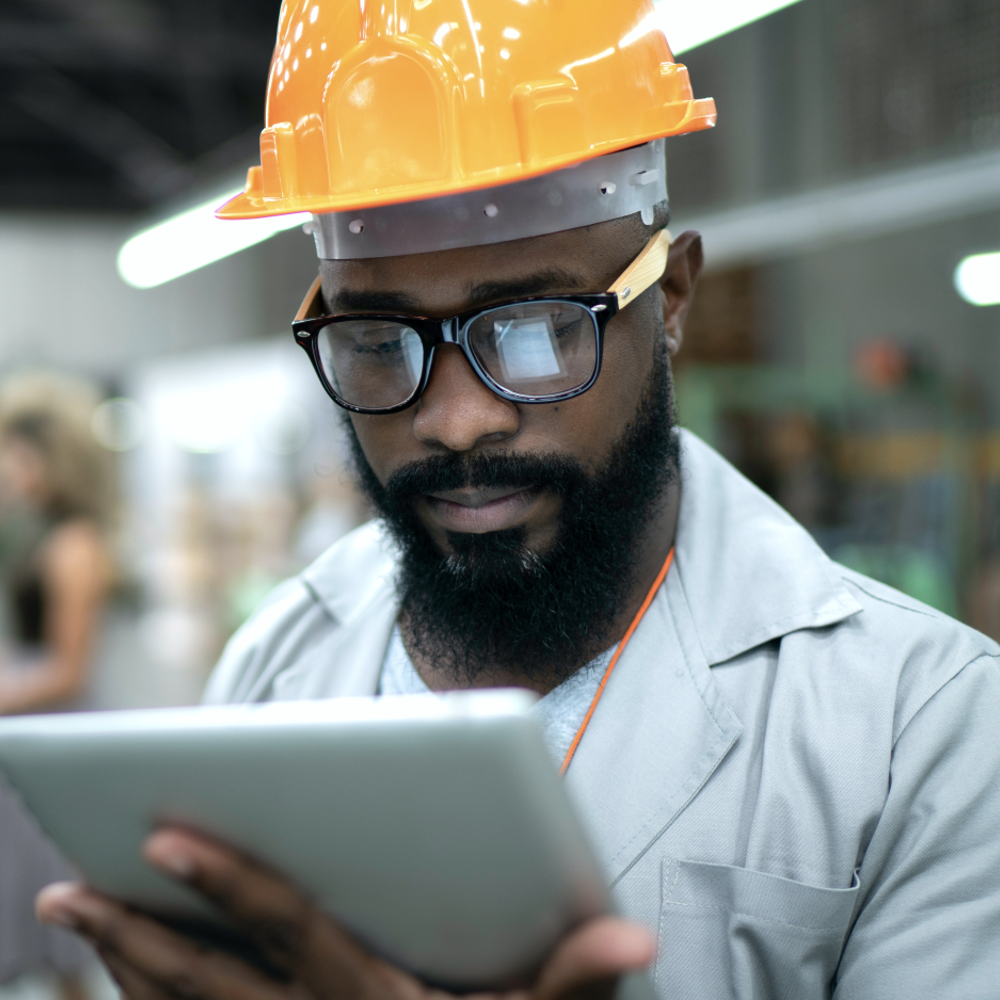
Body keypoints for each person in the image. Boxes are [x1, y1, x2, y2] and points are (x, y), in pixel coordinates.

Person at [37, 2, 1000, 998]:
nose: (457, 423)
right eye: (378, 341)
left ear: (670, 298)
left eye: (535, 329)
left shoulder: (923, 728)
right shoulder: (280, 663)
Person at [0, 372, 113, 996]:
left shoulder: (74, 543)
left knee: (58, 896)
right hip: (32, 724)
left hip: (57, 727)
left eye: (19, 454)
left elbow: (69, 668)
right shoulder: (35, 533)